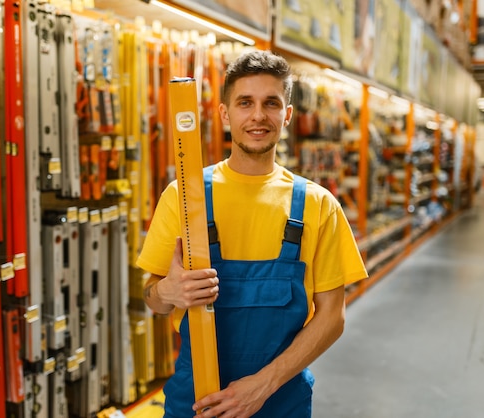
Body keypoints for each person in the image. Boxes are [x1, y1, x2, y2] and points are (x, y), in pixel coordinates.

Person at [136, 50, 368, 418]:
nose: (258, 115)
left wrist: (262, 385)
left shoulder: (318, 206)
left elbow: (332, 318)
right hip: (197, 400)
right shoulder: (184, 195)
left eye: (271, 103)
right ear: (226, 113)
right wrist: (167, 290)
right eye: (245, 103)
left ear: (287, 115)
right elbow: (152, 297)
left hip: (280, 399)